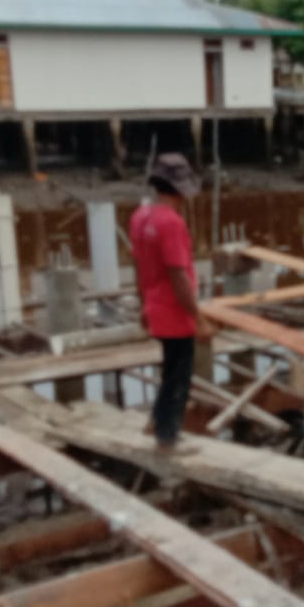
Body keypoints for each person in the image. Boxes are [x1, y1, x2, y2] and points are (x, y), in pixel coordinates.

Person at [131, 153, 215, 452]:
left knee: (169, 369)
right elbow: (178, 276)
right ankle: (168, 436)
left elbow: (139, 266)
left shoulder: (141, 217)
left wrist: (142, 303)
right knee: (179, 377)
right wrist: (199, 318)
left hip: (155, 305)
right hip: (175, 312)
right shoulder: (171, 224)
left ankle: (156, 420)